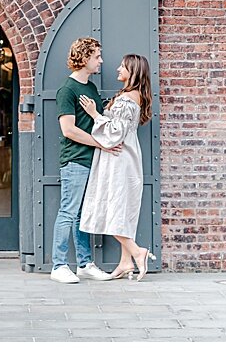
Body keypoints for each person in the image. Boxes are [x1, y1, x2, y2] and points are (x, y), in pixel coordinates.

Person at [79, 53, 158, 281]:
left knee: (111, 210)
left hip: (118, 160)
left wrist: (95, 114)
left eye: (122, 67)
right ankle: (125, 263)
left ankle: (137, 252)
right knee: (123, 211)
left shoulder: (125, 100)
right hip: (128, 158)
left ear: (132, 71)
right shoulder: (135, 96)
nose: (117, 69)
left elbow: (115, 133)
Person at [50, 36, 122, 284]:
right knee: (68, 212)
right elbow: (68, 130)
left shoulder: (90, 88)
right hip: (75, 161)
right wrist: (102, 144)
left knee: (82, 214)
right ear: (84, 58)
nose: (101, 61)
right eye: (97, 56)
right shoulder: (67, 90)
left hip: (91, 161)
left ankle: (84, 264)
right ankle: (58, 265)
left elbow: (98, 121)